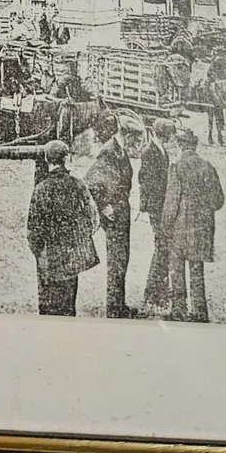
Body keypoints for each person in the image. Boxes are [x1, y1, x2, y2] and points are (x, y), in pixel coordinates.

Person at [26, 139, 100, 316]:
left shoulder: (41, 189)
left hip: (48, 258)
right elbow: (94, 219)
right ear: (66, 158)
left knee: (47, 306)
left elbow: (32, 230)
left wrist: (39, 252)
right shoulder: (78, 184)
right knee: (68, 306)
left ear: (47, 160)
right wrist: (79, 239)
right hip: (71, 258)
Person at [85, 115, 146, 318]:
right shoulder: (109, 152)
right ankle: (114, 309)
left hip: (120, 213)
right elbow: (91, 182)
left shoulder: (117, 149)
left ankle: (118, 305)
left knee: (121, 260)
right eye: (134, 139)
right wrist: (104, 206)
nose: (135, 144)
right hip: (114, 216)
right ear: (126, 135)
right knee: (117, 262)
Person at [163, 129, 224, 323]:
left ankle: (178, 309)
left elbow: (171, 201)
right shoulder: (207, 166)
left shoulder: (176, 167)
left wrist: (165, 225)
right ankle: (199, 311)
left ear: (181, 145)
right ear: (195, 145)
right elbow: (218, 200)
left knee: (177, 267)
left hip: (180, 226)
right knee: (197, 267)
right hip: (201, 226)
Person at [139, 119, 175, 317]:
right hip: (157, 207)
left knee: (163, 247)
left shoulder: (159, 149)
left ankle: (158, 289)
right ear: (164, 133)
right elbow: (146, 182)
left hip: (161, 206)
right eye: (169, 134)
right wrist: (153, 207)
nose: (171, 138)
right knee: (162, 247)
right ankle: (152, 292)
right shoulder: (150, 151)